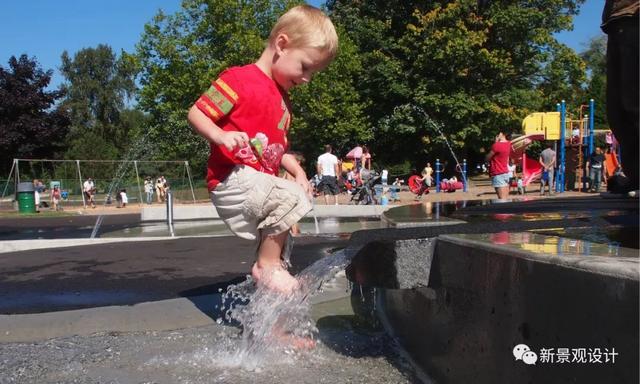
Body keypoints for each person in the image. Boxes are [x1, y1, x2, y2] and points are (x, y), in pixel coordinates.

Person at [187, 5, 337, 295]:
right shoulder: (238, 79)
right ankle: (265, 267)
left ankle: (272, 325)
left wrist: (297, 170)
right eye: (305, 67)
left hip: (257, 185)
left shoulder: (284, 103)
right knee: (288, 198)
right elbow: (196, 112)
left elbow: (276, 150)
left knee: (283, 250)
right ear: (282, 44)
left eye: (313, 73)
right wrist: (220, 135)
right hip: (231, 179)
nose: (307, 79)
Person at [601, 1, 638, 195]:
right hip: (616, 23)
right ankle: (636, 177)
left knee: (635, 103)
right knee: (618, 112)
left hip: (635, 20)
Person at [485, 131, 511, 199]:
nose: (497, 134)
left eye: (499, 133)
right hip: (505, 172)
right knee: (505, 198)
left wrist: (495, 143)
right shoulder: (509, 144)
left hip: (497, 172)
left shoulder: (496, 145)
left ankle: (502, 209)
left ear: (502, 134)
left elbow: (487, 158)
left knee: (501, 198)